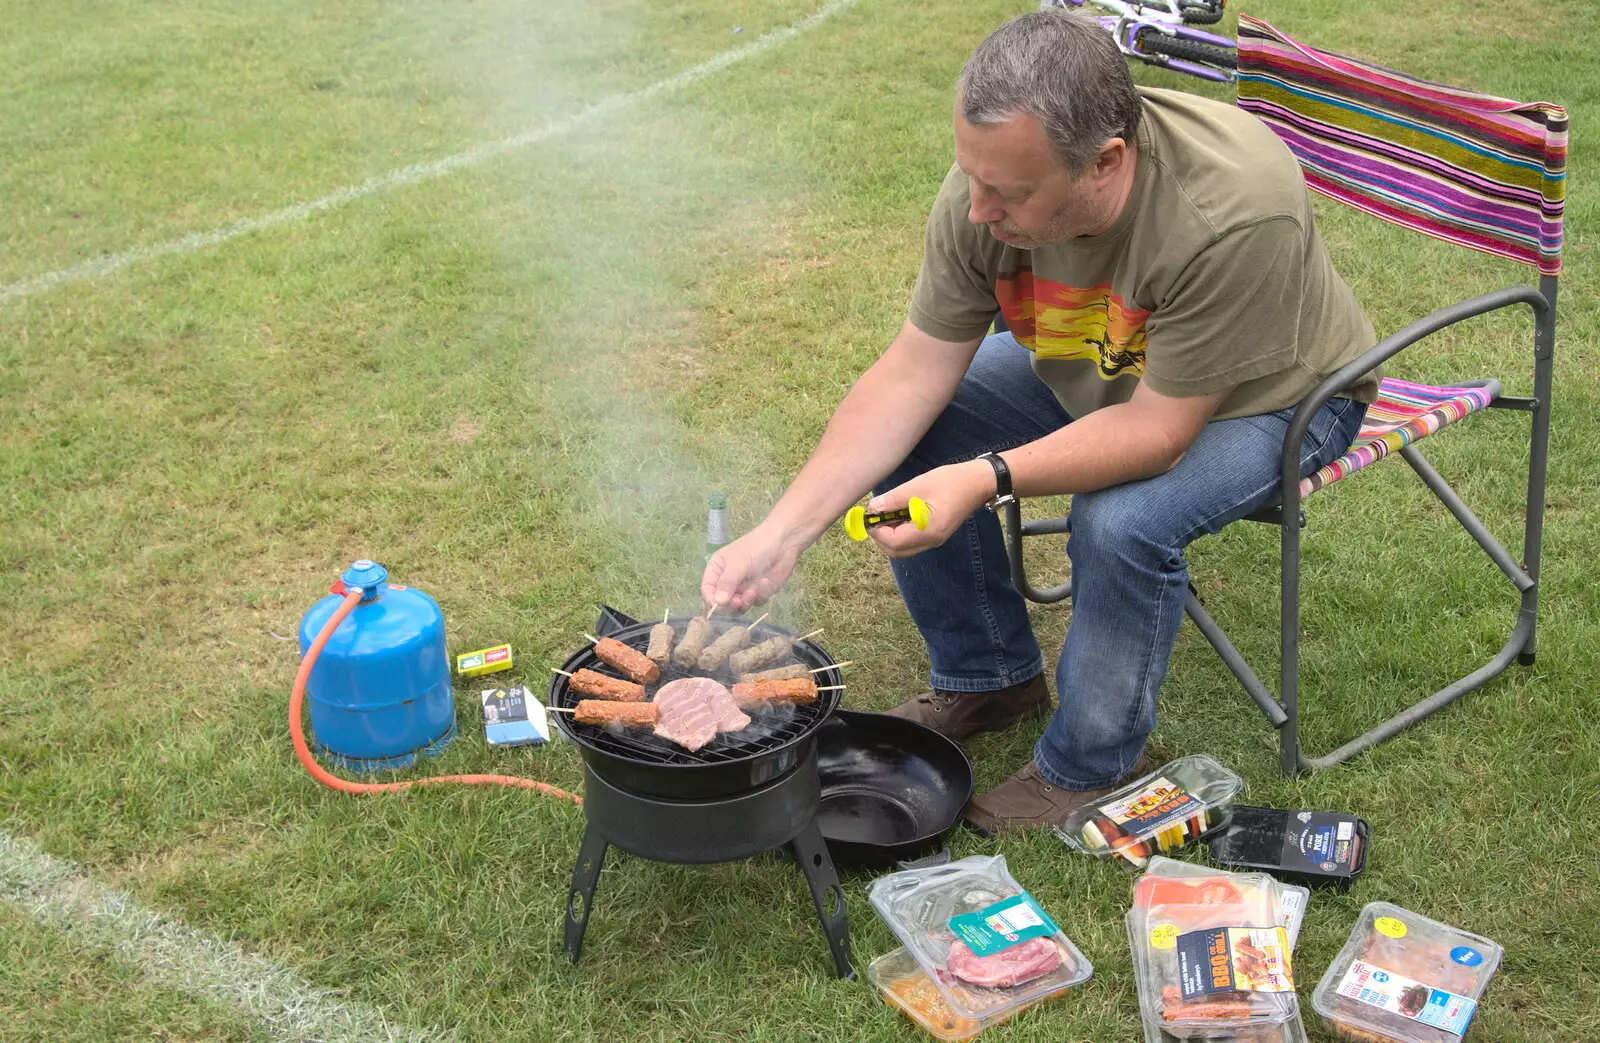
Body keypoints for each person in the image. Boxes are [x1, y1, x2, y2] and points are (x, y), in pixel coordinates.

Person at [699, 11, 1378, 832]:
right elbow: (911, 373)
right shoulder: (988, 186)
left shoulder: (1231, 212)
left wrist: (985, 476)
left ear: (1106, 163)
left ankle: (1087, 766)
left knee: (1122, 520)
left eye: (1011, 192)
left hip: (1275, 396)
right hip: (1102, 362)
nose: (979, 209)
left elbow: (1157, 435)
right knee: (919, 432)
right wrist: (783, 531)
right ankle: (990, 675)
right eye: (971, 177)